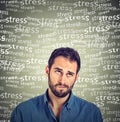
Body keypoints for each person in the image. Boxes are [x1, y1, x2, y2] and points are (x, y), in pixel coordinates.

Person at [10, 47, 103, 122]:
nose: (62, 81)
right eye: (58, 71)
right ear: (47, 71)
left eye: (69, 74)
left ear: (76, 77)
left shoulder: (92, 114)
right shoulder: (22, 112)